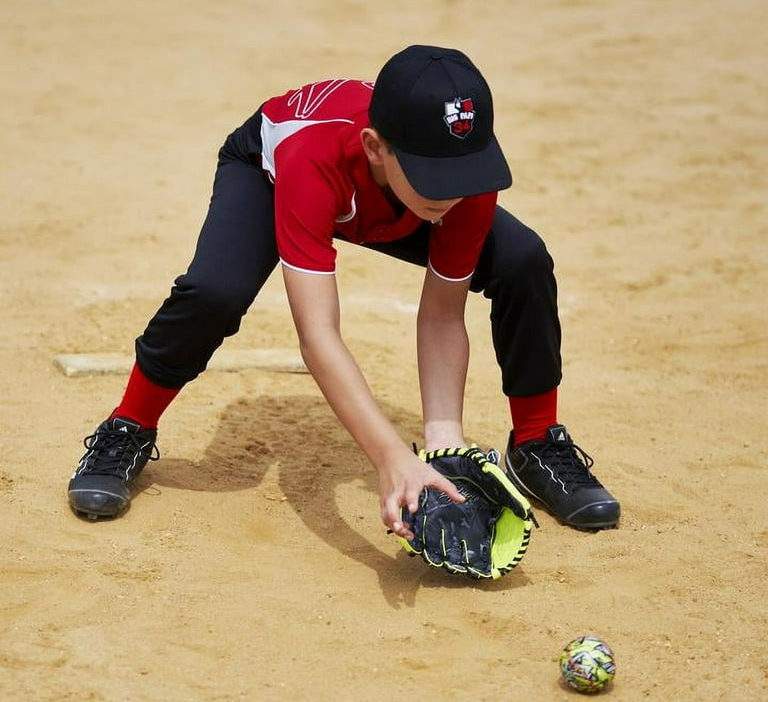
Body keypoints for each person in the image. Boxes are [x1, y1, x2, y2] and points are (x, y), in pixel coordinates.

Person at [68, 44, 620, 536]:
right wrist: (389, 458)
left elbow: (442, 317)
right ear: (376, 147)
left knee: (523, 258)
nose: (452, 197)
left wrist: (444, 447)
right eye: (435, 177)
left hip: (386, 200)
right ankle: (127, 427)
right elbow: (318, 336)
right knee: (214, 292)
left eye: (463, 176)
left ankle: (537, 442)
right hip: (273, 175)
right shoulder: (310, 159)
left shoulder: (460, 184)